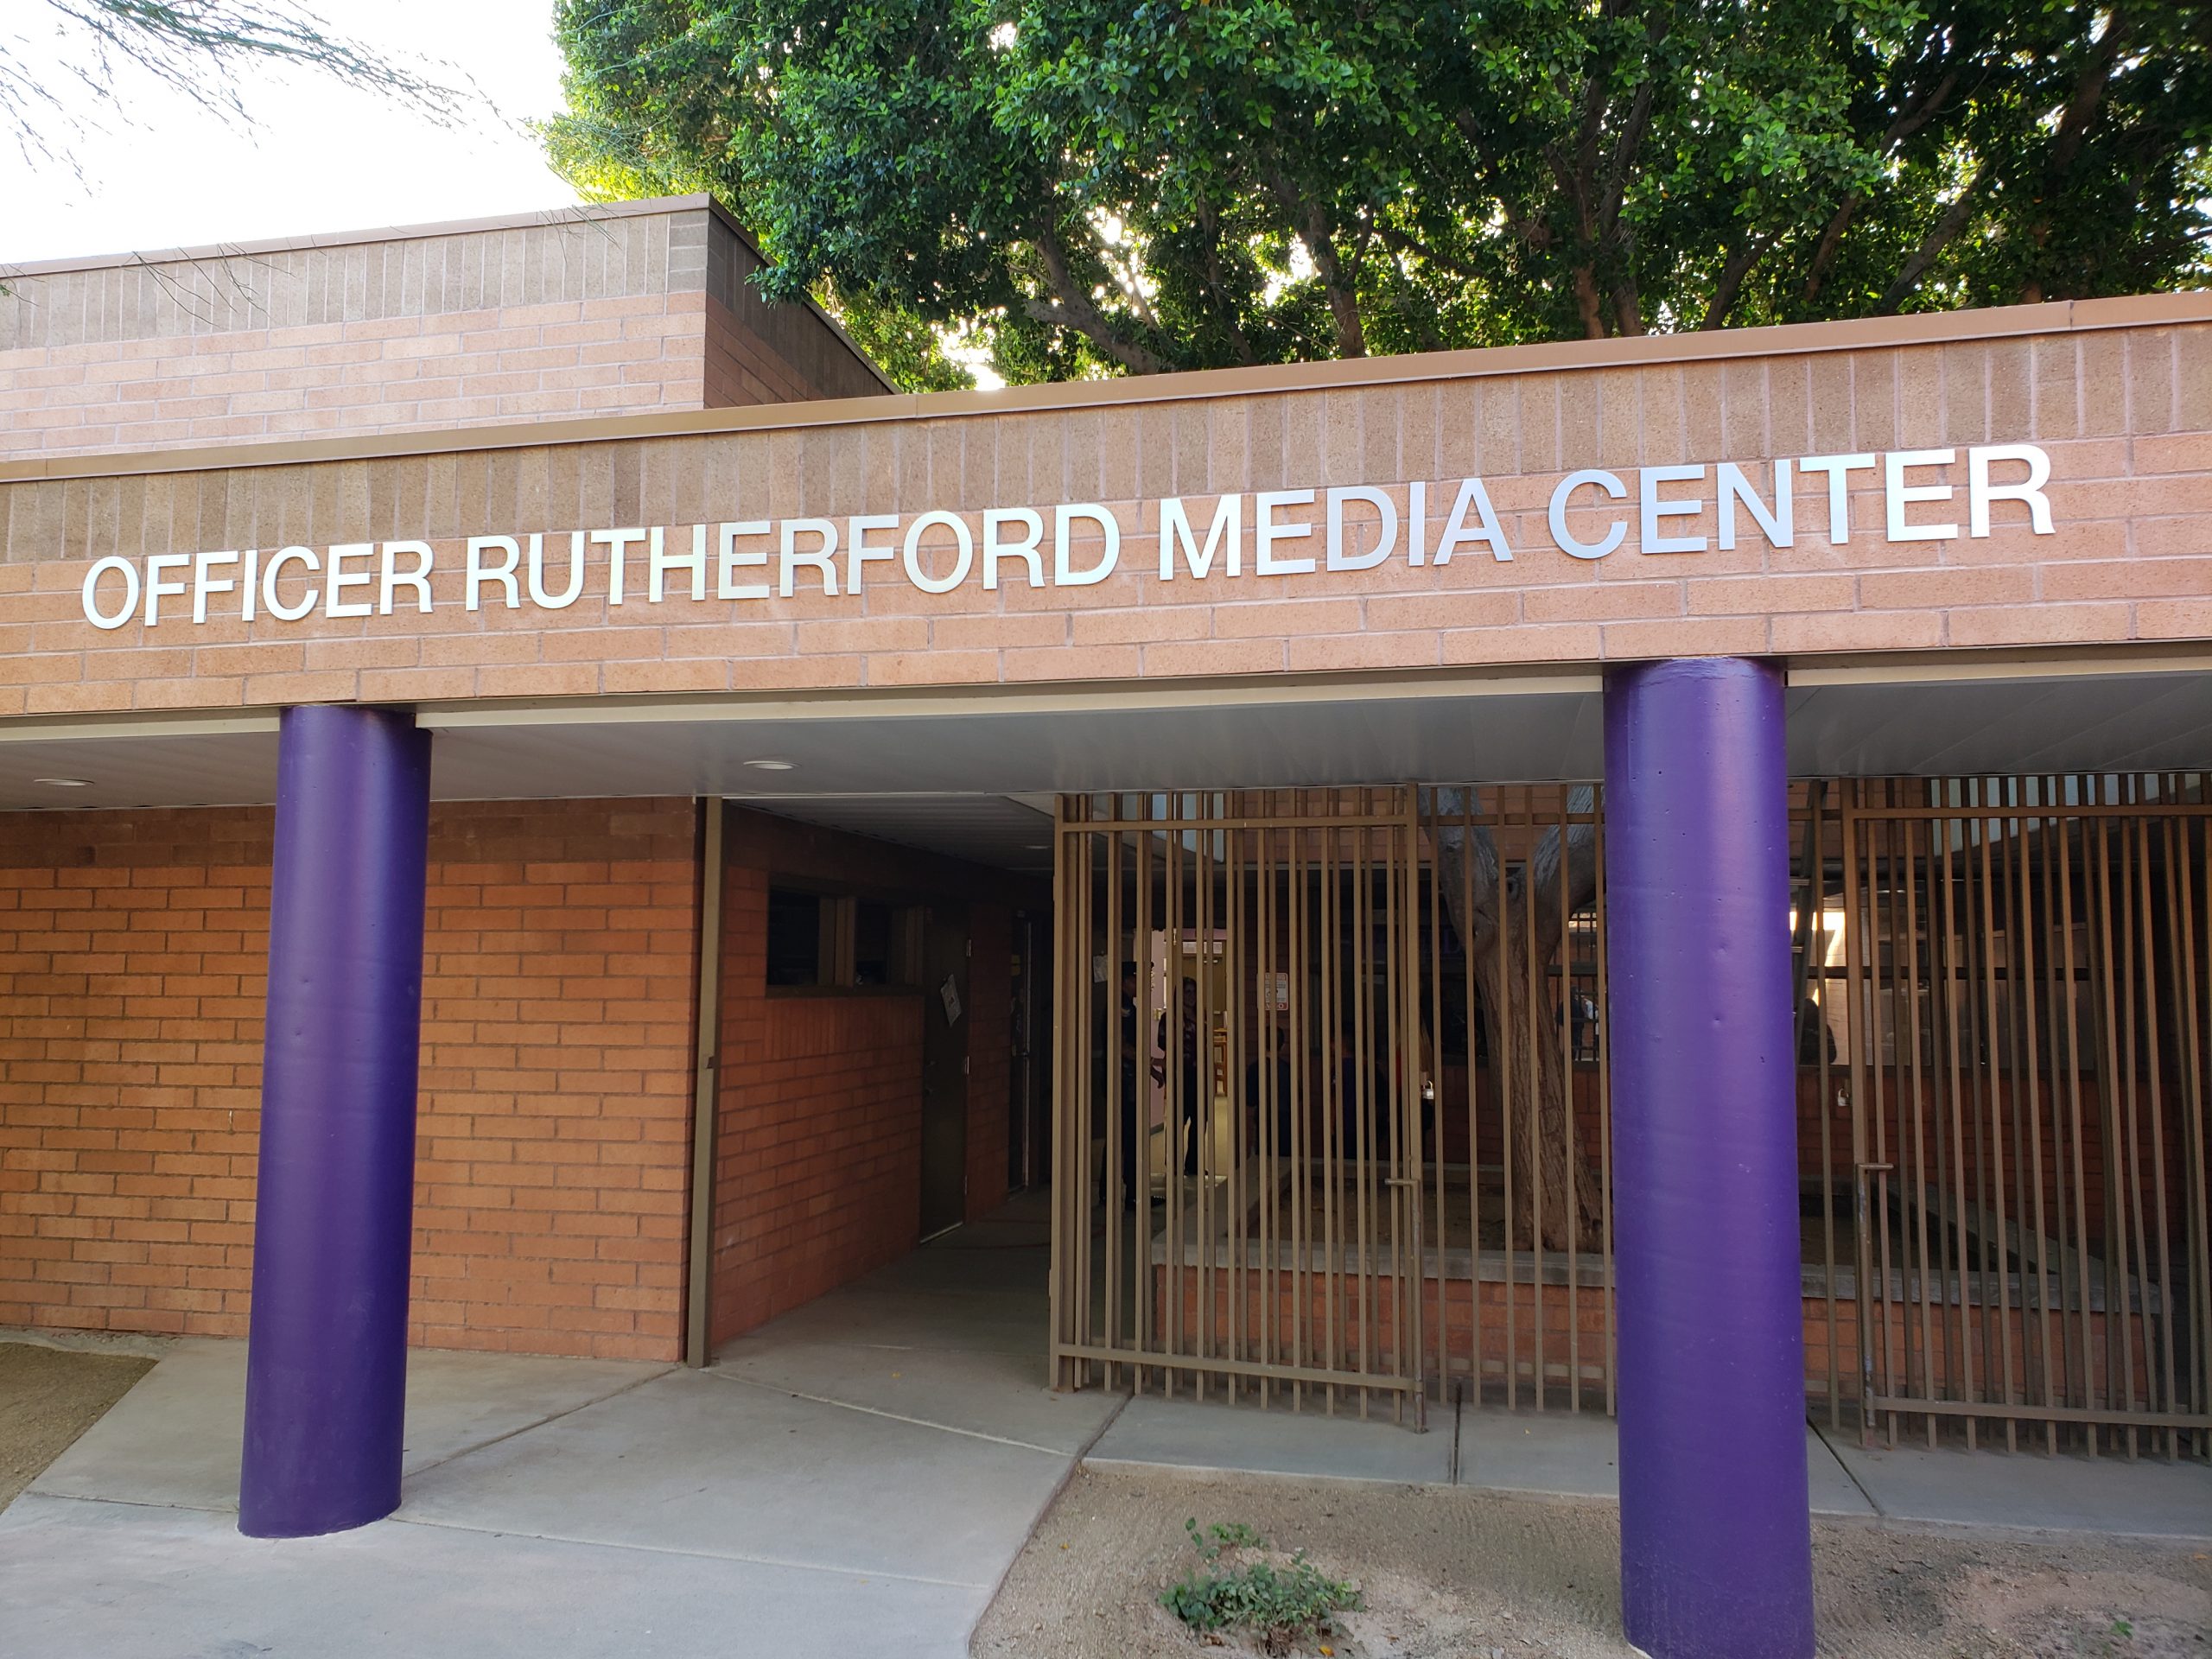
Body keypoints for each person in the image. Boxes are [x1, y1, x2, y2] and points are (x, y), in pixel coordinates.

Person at [1152, 977, 1204, 1178]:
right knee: (1177, 1120)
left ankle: (1193, 1164)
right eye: (1186, 992)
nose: (1190, 996)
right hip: (1179, 1074)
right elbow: (1163, 1043)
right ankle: (1173, 1165)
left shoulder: (1202, 1015)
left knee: (1200, 1120)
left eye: (1193, 992)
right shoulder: (1169, 1017)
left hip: (1200, 1073)